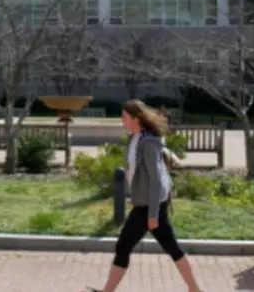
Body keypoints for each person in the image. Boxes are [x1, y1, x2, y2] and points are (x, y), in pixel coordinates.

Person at [86, 99, 202, 292]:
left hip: (149, 205)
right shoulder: (135, 138)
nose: (122, 121)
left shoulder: (148, 143)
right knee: (171, 247)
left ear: (136, 118)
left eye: (124, 117)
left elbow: (156, 180)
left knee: (124, 245)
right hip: (146, 203)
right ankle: (195, 290)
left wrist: (153, 214)